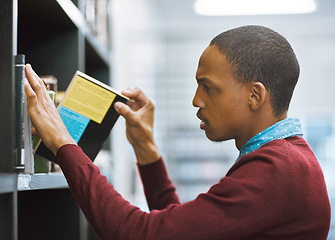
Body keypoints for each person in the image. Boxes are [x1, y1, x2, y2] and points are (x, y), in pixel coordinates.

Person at [24, 25, 331, 240]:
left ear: (255, 96)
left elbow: (138, 234)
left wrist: (62, 142)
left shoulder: (278, 168)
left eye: (209, 88)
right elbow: (183, 230)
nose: (196, 100)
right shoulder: (288, 160)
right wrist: (145, 149)